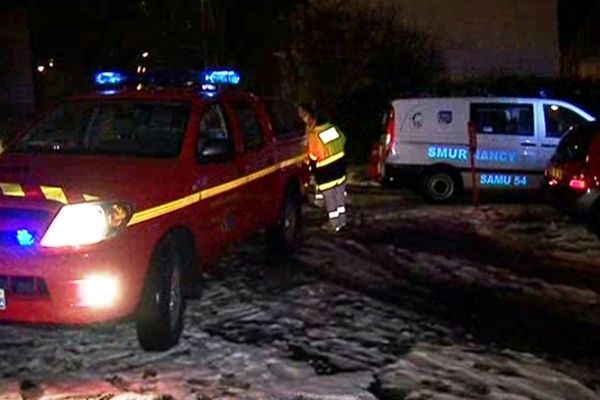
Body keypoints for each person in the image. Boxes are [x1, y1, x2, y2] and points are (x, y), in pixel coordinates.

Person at [298, 103, 347, 232]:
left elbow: (313, 156)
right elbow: (343, 139)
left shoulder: (314, 135)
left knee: (330, 199)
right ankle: (342, 221)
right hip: (340, 166)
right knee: (339, 196)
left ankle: (334, 224)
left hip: (326, 170)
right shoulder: (331, 128)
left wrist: (310, 166)